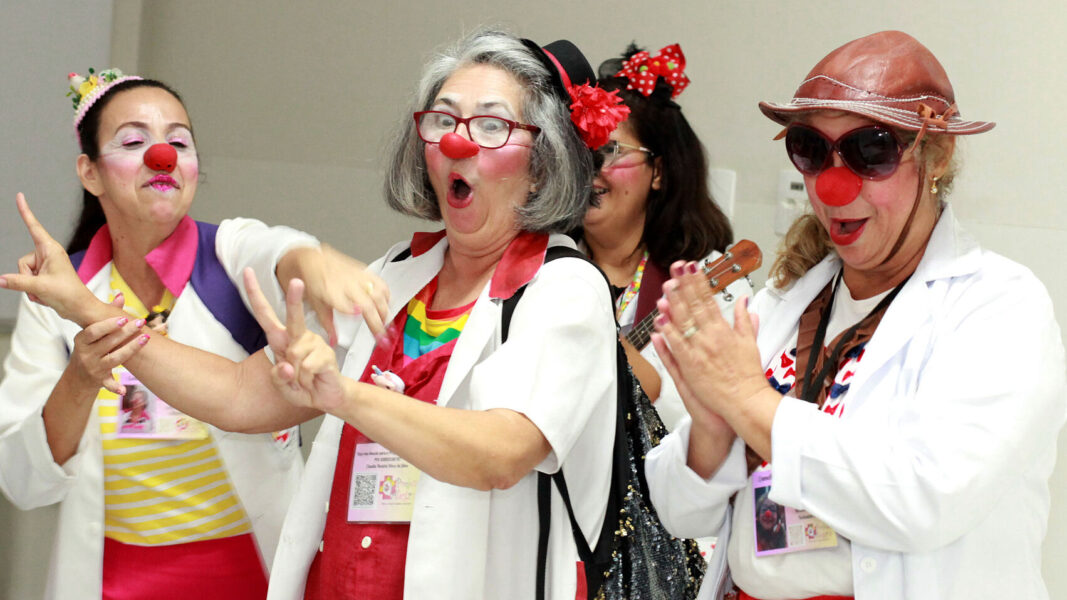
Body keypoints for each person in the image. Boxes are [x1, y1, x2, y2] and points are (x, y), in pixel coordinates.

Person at [2, 30, 625, 600]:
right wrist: (85, 306)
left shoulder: (562, 289)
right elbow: (241, 395)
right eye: (442, 120)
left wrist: (345, 395)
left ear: (542, 163)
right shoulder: (396, 275)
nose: (457, 142)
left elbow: (499, 454)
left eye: (491, 126)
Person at [644, 31, 1067, 599]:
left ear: (934, 157)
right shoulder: (785, 303)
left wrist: (747, 401)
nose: (833, 186)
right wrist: (715, 431)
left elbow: (922, 499)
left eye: (871, 151)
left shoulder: (1001, 306)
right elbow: (678, 510)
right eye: (812, 150)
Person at [0, 68, 323, 600]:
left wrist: (318, 263)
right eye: (134, 141)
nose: (162, 156)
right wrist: (81, 377)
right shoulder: (58, 296)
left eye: (179, 141)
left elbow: (282, 250)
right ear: (91, 172)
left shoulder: (230, 255)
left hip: (251, 576)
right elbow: (23, 481)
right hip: (112, 584)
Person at [577, 42, 752, 430]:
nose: (589, 171)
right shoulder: (543, 263)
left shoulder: (706, 281)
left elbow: (715, 424)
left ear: (658, 171)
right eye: (580, 152)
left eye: (608, 150)